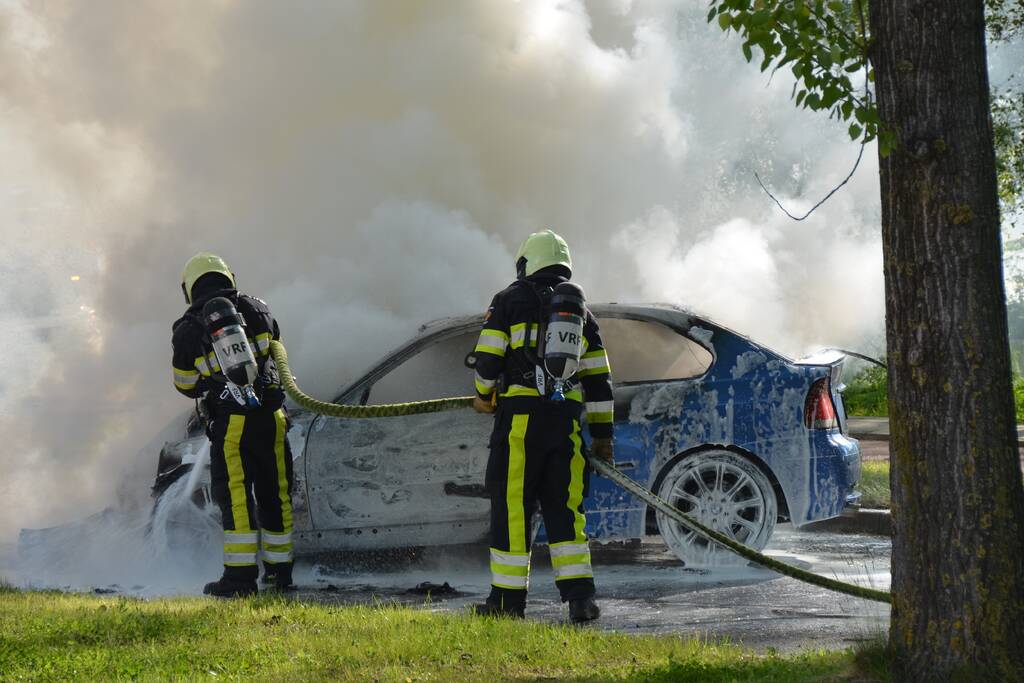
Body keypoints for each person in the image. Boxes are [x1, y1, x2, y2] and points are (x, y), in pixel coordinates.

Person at [470, 229, 614, 622]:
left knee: (513, 508)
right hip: (565, 425)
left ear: (525, 264)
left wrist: (483, 395)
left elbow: (487, 359)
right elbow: (600, 382)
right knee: (566, 510)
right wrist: (602, 438)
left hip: (519, 422)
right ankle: (581, 600)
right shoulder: (582, 314)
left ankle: (506, 603)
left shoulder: (508, 301)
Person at [171, 252, 295, 597]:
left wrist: (211, 381)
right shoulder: (259, 309)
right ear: (229, 277)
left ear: (190, 288)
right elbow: (277, 354)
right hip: (273, 418)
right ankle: (279, 574)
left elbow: (184, 384)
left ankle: (240, 580)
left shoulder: (187, 330)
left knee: (237, 498)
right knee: (277, 494)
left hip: (233, 423)